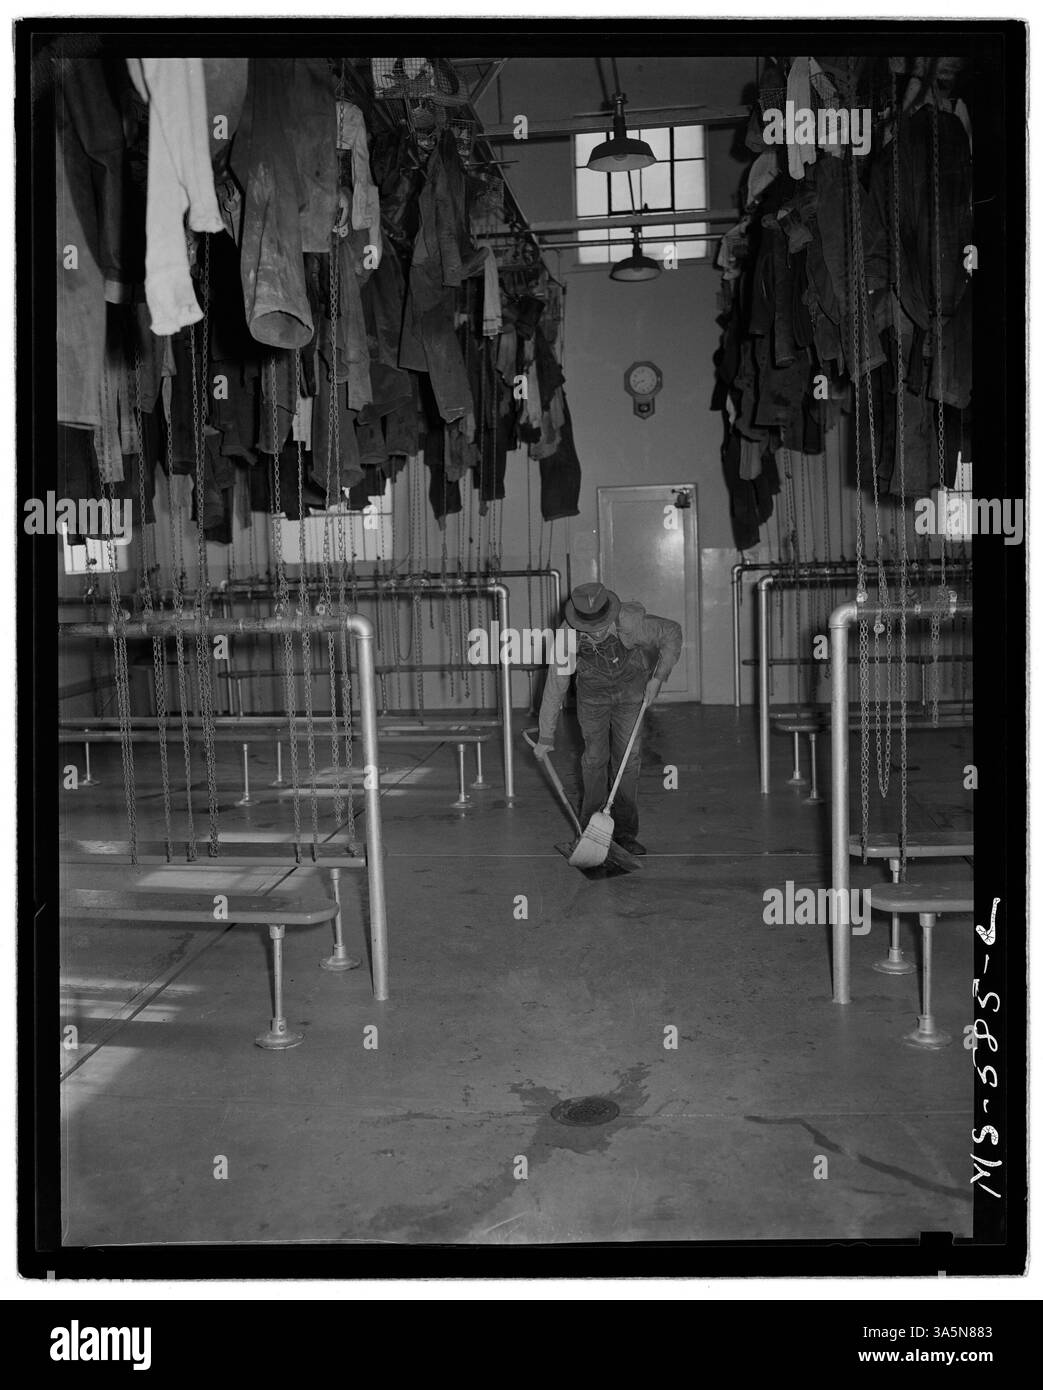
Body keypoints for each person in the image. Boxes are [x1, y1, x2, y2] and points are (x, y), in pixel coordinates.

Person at [532, 582, 683, 856]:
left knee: (628, 761)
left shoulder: (631, 622)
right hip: (592, 699)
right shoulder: (567, 638)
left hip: (630, 694)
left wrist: (658, 678)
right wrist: (545, 736)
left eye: (603, 624)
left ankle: (625, 834)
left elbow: (672, 632)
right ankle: (590, 832)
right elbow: (556, 683)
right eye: (591, 628)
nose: (599, 632)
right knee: (594, 760)